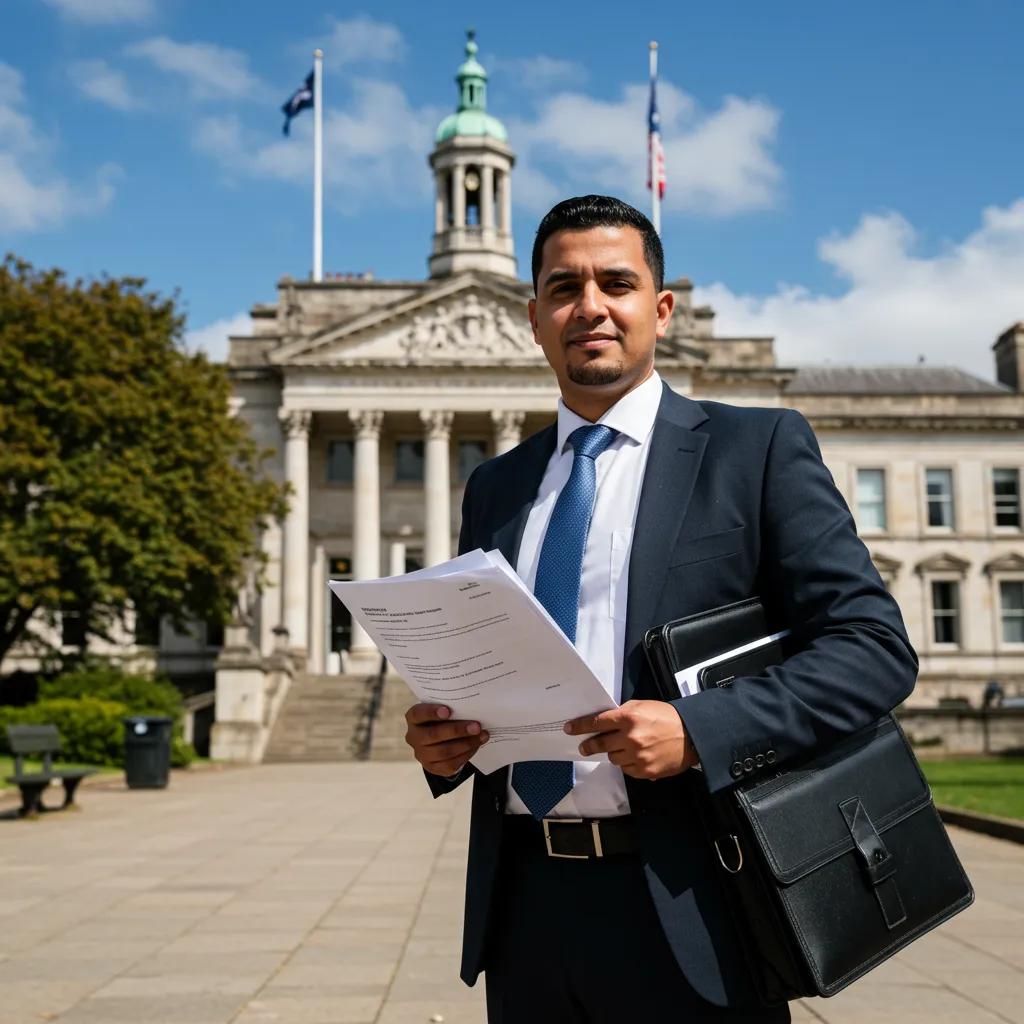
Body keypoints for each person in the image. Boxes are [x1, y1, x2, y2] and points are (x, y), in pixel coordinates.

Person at [404, 195, 918, 1022]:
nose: (591, 307)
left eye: (617, 282)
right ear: (534, 318)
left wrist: (699, 732)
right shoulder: (495, 486)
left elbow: (873, 649)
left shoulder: (757, 449)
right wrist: (447, 747)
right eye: (564, 288)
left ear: (661, 307)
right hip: (526, 910)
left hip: (697, 896)